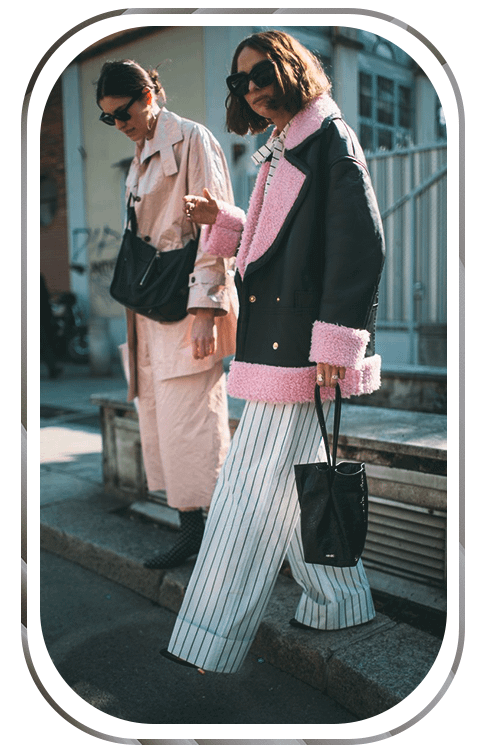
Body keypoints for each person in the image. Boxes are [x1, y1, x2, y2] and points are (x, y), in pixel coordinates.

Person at [160, 30, 386, 674]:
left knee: (245, 494)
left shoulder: (328, 140)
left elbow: (360, 246)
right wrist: (226, 221)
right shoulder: (290, 142)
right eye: (240, 81)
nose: (251, 89)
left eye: (261, 74)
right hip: (284, 341)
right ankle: (340, 602)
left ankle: (207, 636)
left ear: (292, 68)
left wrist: (337, 341)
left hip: (301, 347)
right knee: (293, 487)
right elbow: (277, 240)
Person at [96, 60, 238, 569]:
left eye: (124, 112)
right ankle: (191, 532)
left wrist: (205, 310)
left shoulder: (192, 139)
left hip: (184, 306)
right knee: (166, 427)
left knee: (195, 424)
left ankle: (225, 540)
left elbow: (217, 228)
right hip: (150, 308)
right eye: (108, 117)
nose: (119, 123)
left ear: (148, 94)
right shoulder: (139, 156)